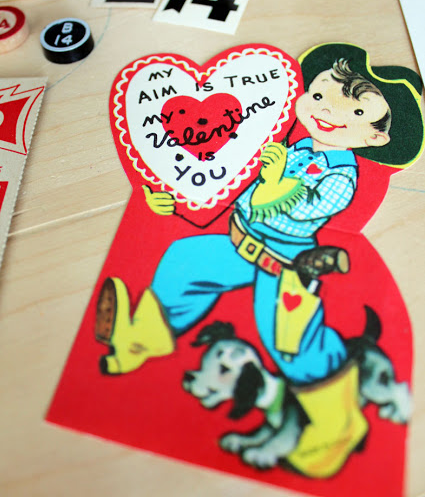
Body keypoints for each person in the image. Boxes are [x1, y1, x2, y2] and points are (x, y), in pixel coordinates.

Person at [95, 43, 424, 385]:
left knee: (290, 342)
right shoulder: (292, 148)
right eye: (319, 95)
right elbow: (231, 182)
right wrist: (172, 202)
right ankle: (141, 340)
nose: (328, 109)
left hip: (286, 262)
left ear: (376, 136)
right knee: (185, 259)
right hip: (241, 238)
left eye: (356, 112)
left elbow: (312, 208)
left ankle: (336, 402)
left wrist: (275, 182)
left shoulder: (342, 175)